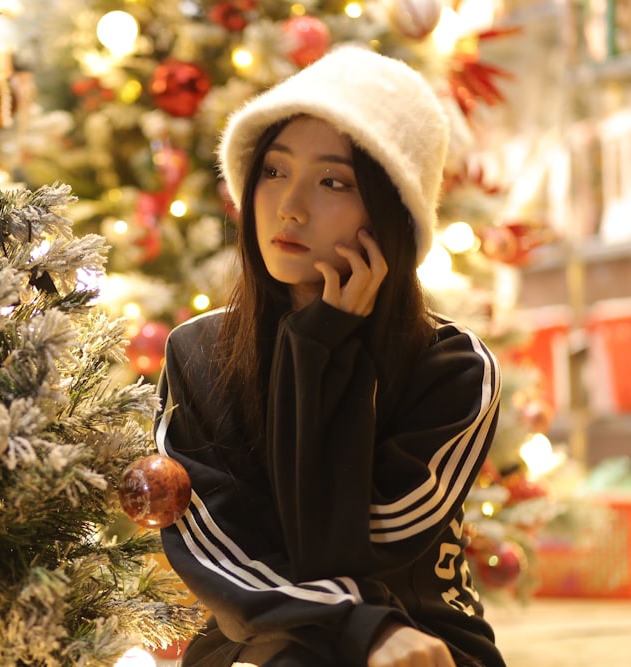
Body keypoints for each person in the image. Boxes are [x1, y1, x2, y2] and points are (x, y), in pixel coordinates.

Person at [154, 45, 505, 667]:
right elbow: (220, 554)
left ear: (391, 212)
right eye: (274, 171)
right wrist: (362, 629)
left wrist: (320, 349)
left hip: (420, 634)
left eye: (333, 181)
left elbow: (345, 547)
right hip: (258, 636)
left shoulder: (453, 368)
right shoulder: (198, 352)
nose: (289, 206)